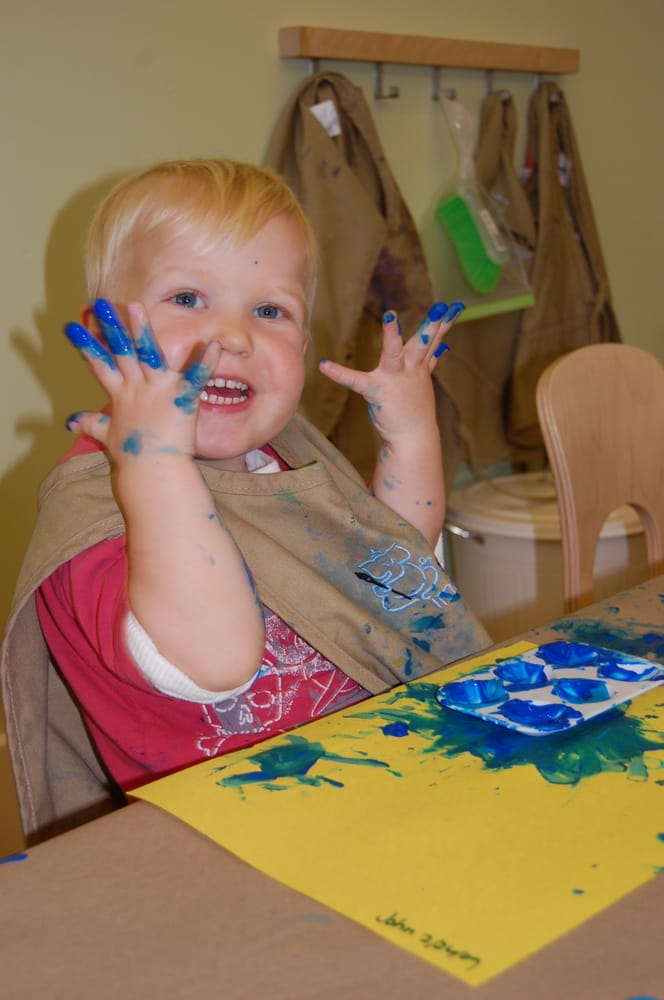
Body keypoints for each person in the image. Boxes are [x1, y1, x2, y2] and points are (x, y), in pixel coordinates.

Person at [2, 159, 490, 832]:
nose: (233, 336)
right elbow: (216, 661)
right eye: (187, 299)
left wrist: (409, 435)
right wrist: (159, 463)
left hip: (375, 785)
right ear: (105, 329)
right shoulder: (98, 506)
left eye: (269, 310)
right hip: (226, 848)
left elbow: (397, 571)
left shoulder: (283, 459)